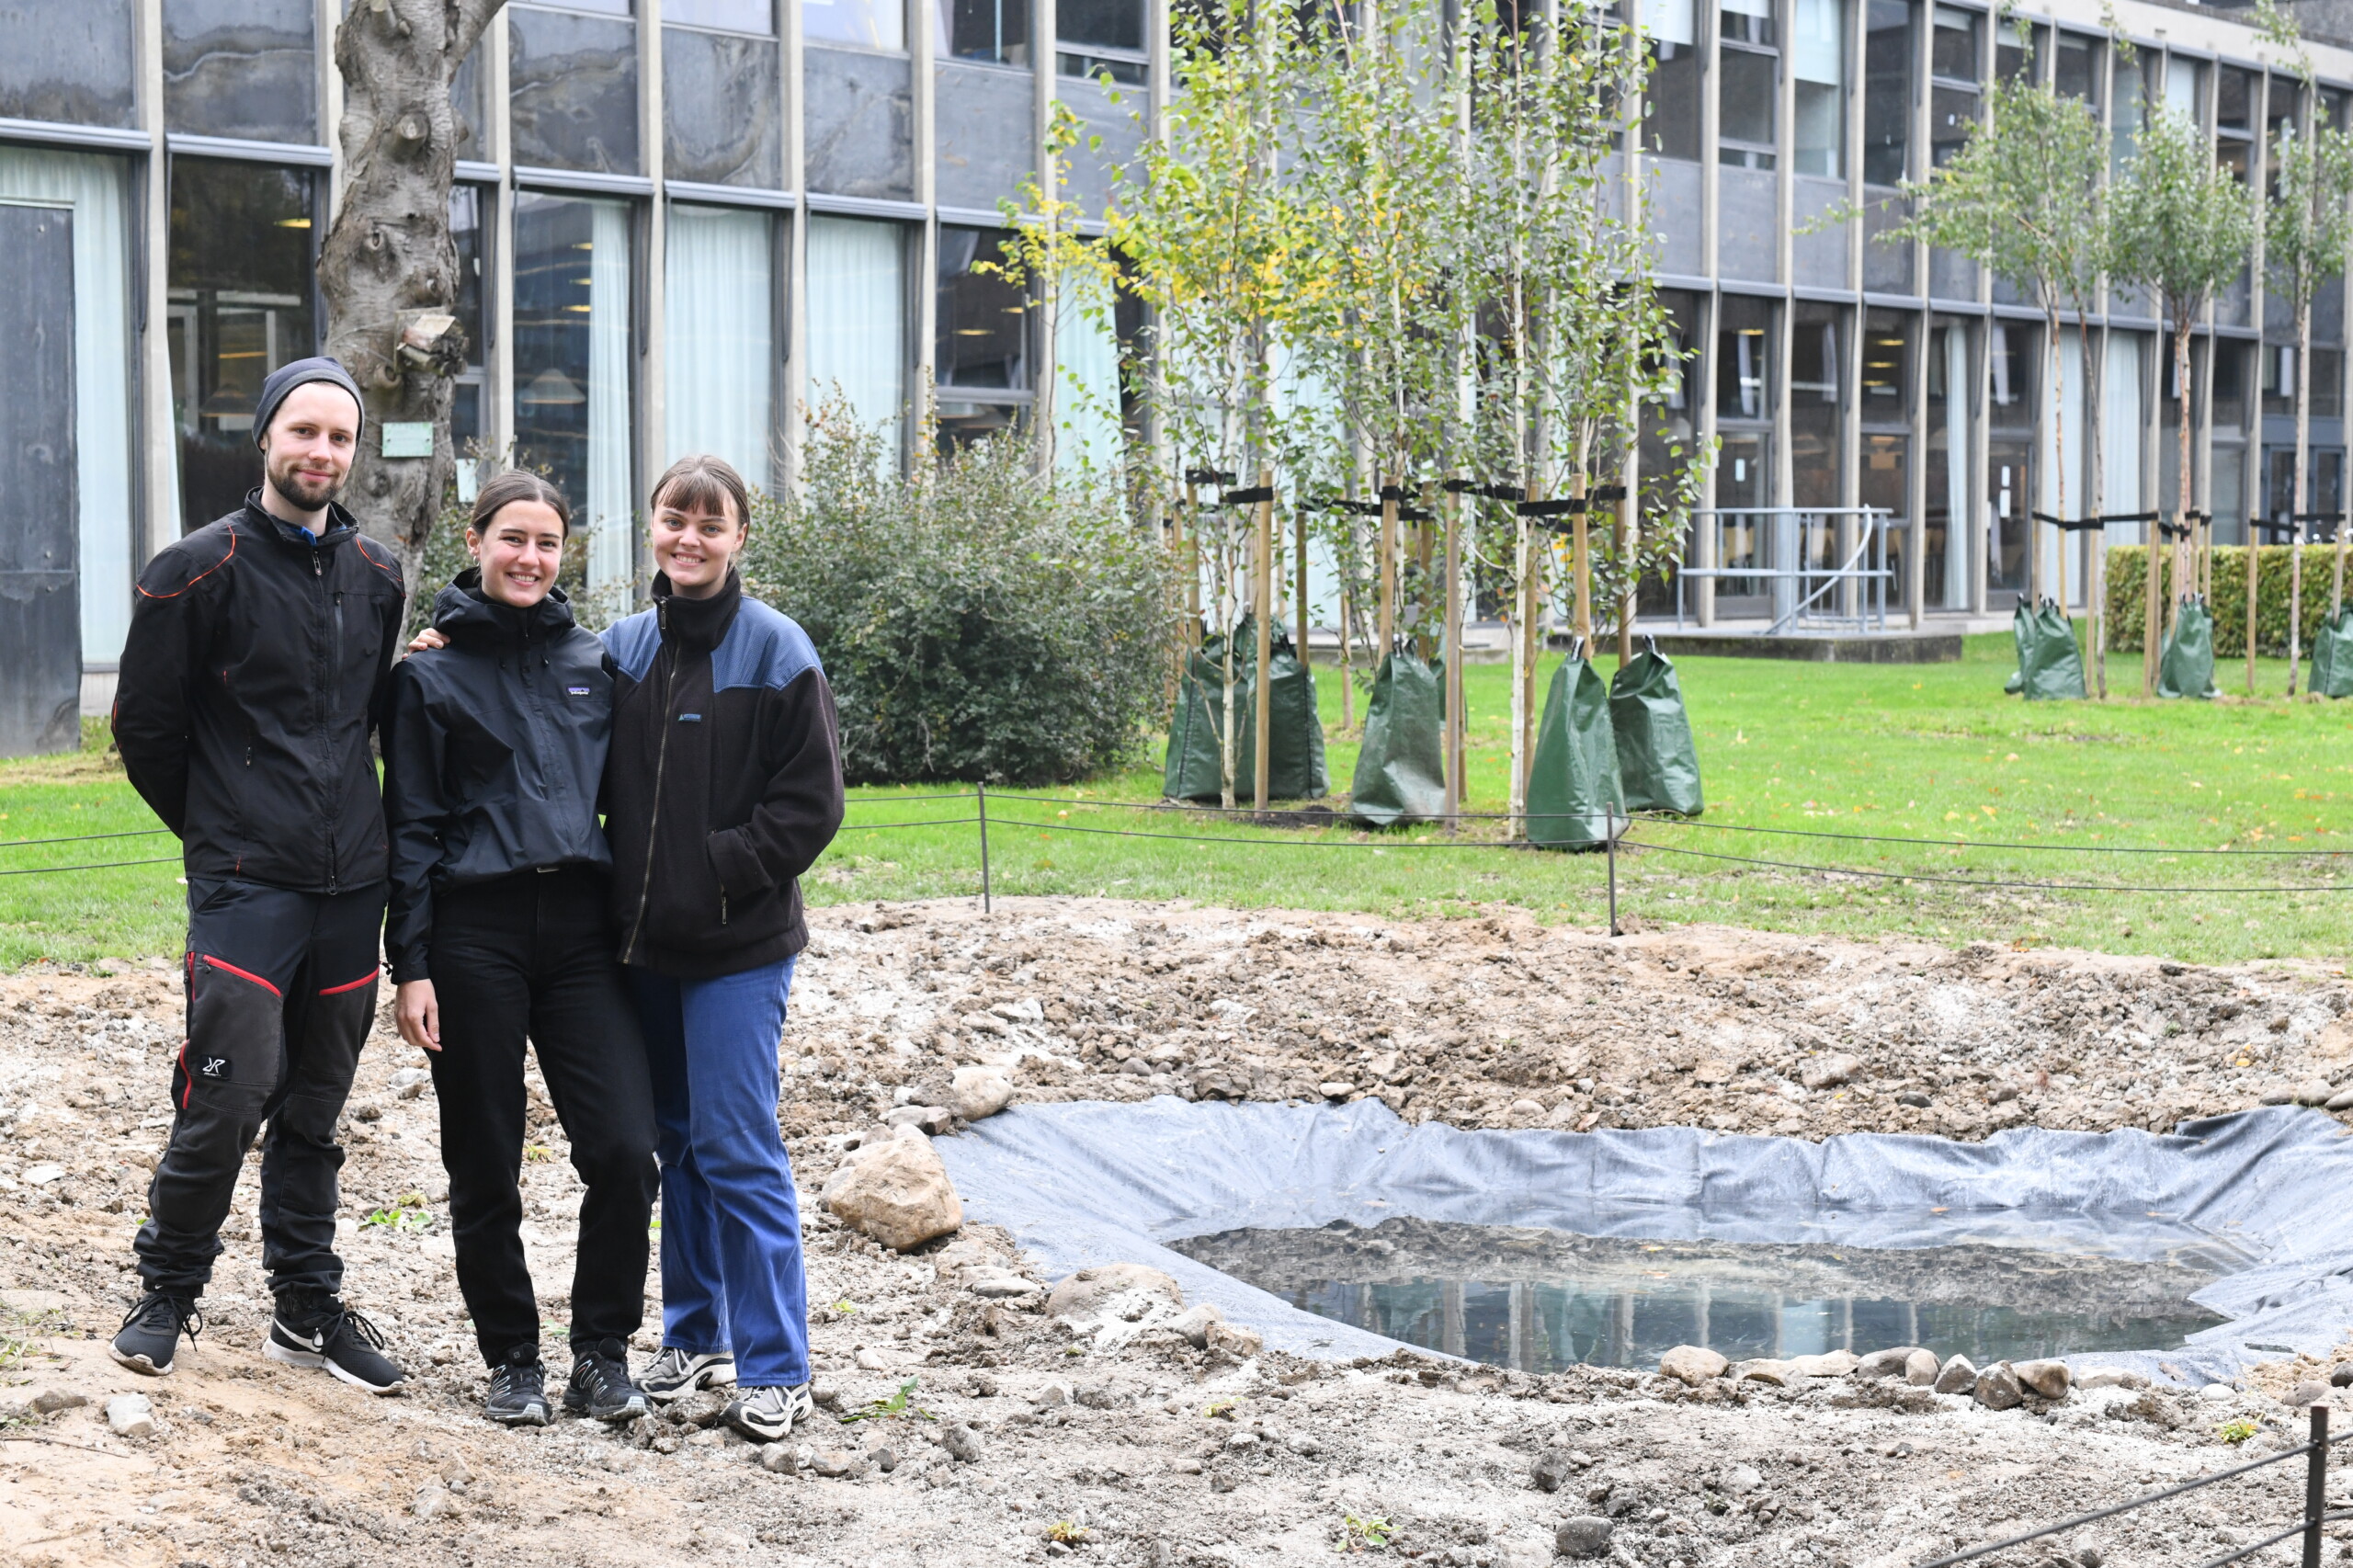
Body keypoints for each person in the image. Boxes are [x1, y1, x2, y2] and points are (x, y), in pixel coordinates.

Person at [108, 358, 407, 1393]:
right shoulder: (196, 566)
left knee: (317, 1104)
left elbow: (374, 713)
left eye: (339, 437)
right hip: (245, 883)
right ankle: (170, 1286)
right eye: (304, 431)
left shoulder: (377, 573)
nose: (321, 452)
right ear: (266, 436)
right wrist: (216, 830)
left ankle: (306, 1305)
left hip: (348, 887)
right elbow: (144, 727)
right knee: (230, 1088)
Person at [381, 472, 660, 1428]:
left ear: (562, 550)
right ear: (477, 538)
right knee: (486, 1157)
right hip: (473, 938)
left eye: (547, 541)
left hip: (583, 938)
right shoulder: (426, 676)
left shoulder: (598, 663)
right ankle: (511, 1358)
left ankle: (601, 1352)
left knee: (626, 1149)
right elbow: (410, 827)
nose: (530, 557)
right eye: (513, 538)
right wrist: (409, 962)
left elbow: (631, 799)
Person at [603, 455, 845, 1441]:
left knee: (738, 1146)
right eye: (674, 519)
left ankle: (777, 1362)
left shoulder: (780, 653)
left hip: (738, 947)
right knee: (676, 1145)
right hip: (642, 950)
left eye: (711, 523)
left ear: (740, 534)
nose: (689, 538)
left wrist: (711, 869)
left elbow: (810, 807)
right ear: (651, 526)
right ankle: (693, 1331)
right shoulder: (621, 648)